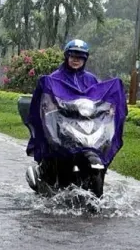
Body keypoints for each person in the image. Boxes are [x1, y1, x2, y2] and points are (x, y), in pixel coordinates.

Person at [25, 39, 99, 189]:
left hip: (84, 126)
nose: (76, 60)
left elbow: (99, 97)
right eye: (73, 56)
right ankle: (46, 172)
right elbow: (45, 100)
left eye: (80, 57)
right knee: (56, 151)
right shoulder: (54, 78)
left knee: (96, 151)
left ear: (85, 59)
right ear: (67, 57)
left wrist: (108, 108)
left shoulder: (91, 79)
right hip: (60, 126)